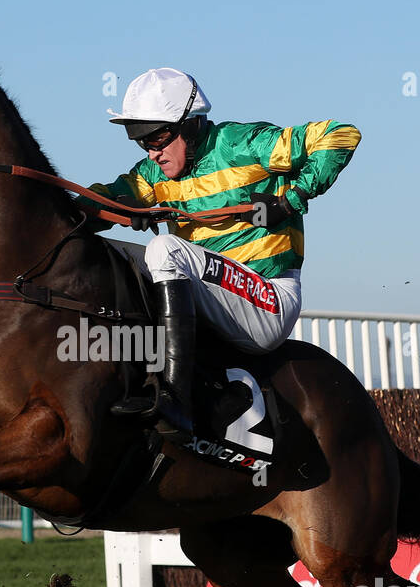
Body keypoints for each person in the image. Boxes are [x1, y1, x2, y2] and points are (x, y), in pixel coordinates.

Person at [82, 67, 361, 440]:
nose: (153, 151)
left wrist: (291, 199)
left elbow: (341, 134)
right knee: (106, 250)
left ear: (192, 125)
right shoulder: (152, 175)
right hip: (211, 299)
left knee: (164, 248)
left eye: (160, 137)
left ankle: (177, 400)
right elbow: (94, 203)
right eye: (142, 140)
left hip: (268, 300)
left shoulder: (243, 143)